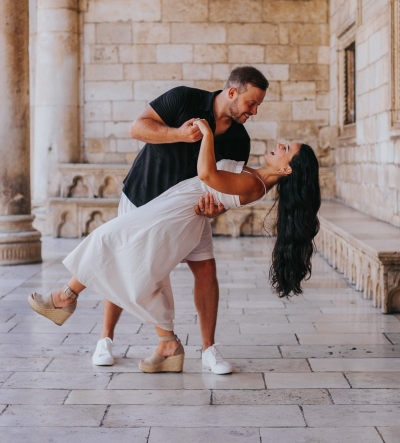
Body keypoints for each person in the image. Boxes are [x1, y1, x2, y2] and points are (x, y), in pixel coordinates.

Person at [28, 121, 321, 374]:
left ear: (286, 169)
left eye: (286, 149)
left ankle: (64, 298)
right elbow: (218, 191)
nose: (279, 144)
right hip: (176, 207)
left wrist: (207, 135)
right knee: (142, 270)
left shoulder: (255, 185)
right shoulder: (256, 178)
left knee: (109, 240)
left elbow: (207, 175)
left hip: (175, 214)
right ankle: (168, 345)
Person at [94, 65, 269, 374]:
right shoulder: (182, 98)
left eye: (257, 105)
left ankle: (209, 350)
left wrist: (218, 210)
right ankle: (105, 339)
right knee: (121, 265)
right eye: (251, 103)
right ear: (232, 92)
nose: (253, 111)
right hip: (142, 197)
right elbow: (137, 128)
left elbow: (225, 188)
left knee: (206, 271)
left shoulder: (240, 140)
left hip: (189, 214)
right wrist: (178, 134)